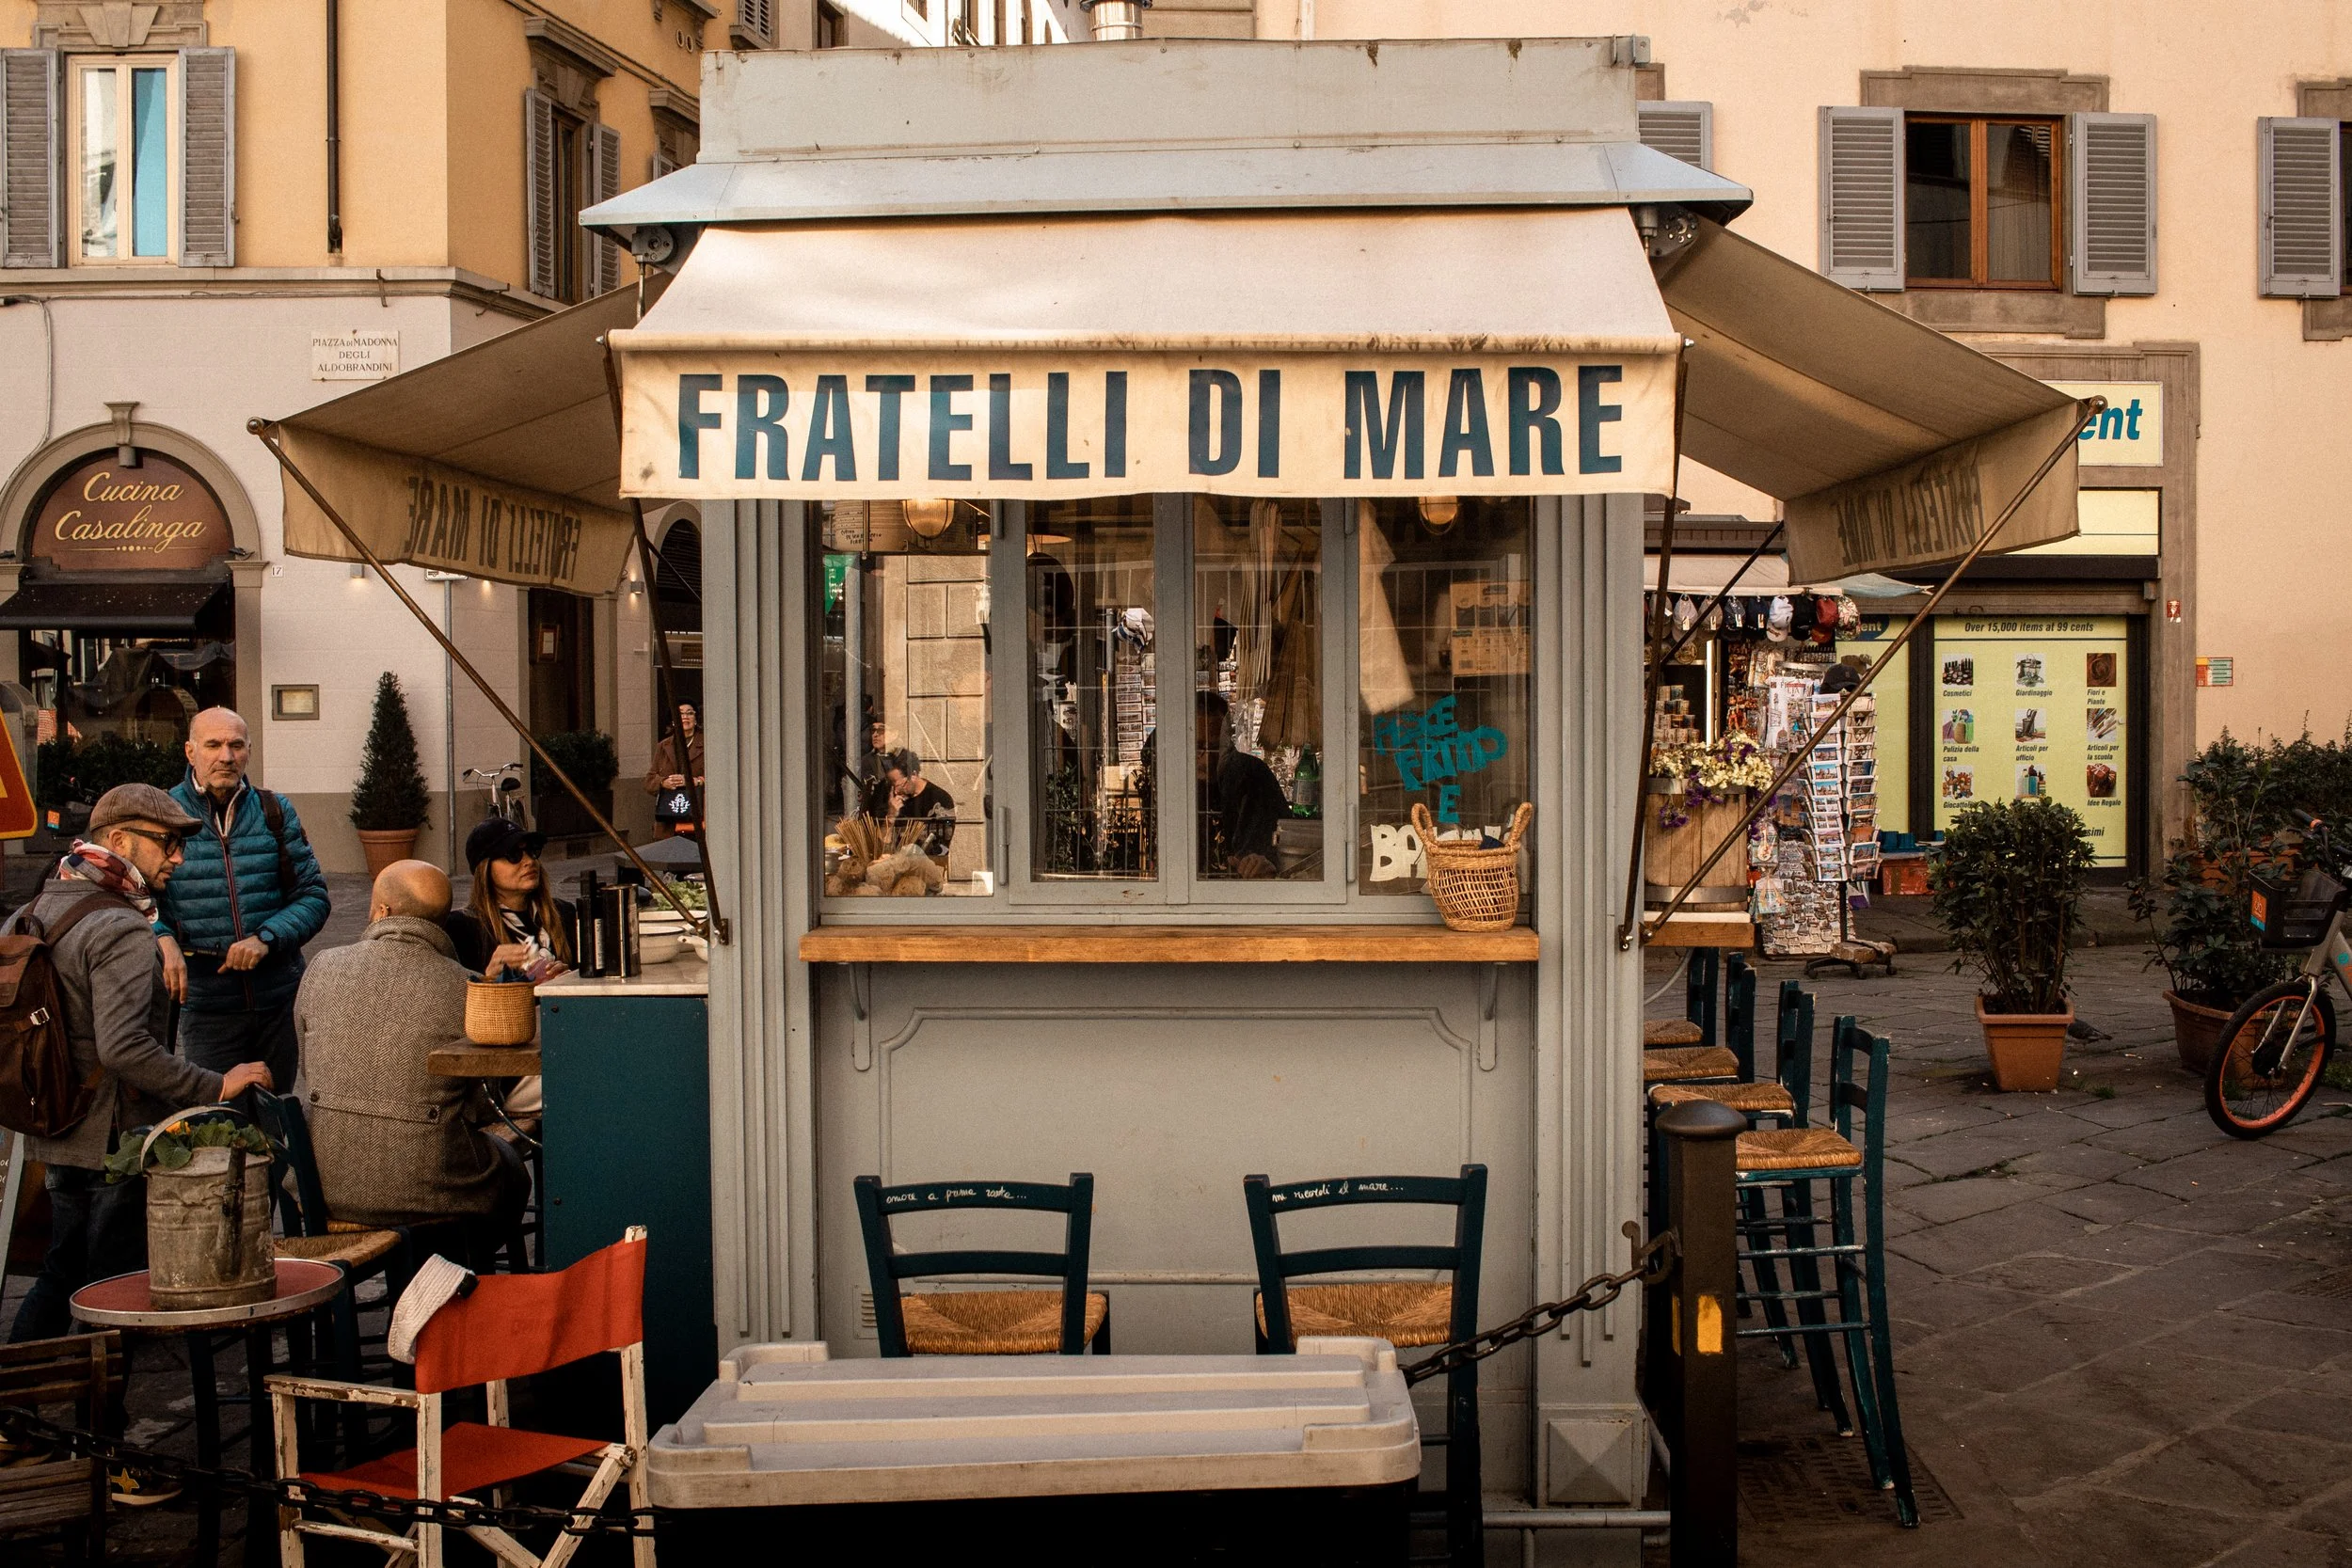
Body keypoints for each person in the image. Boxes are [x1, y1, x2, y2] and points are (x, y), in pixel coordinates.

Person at [12, 785, 274, 1346]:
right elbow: (125, 1048)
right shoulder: (123, 927)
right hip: (112, 1133)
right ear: (119, 840)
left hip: (56, 1122)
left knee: (64, 1267)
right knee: (105, 1286)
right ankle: (91, 1413)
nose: (178, 857)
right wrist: (215, 1084)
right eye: (168, 842)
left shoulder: (37, 907)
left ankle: (25, 1398)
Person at [294, 860, 531, 1249]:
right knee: (511, 1169)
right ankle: (463, 1280)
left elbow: (309, 1068)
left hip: (325, 1184)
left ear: (382, 912)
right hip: (428, 1188)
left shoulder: (321, 967)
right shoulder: (466, 985)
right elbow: (481, 1104)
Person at [154, 707, 331, 1096]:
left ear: (249, 750)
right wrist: (162, 937)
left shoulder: (274, 811)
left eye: (236, 745)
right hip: (207, 1009)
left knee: (278, 1115)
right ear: (190, 751)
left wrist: (265, 938)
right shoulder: (163, 815)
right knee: (217, 1124)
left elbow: (314, 897)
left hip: (279, 1003)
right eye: (213, 745)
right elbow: (137, 899)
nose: (226, 756)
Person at [442, 818, 576, 978]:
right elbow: (457, 997)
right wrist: (488, 979)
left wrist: (569, 980)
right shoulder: (463, 927)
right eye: (513, 855)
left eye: (532, 851)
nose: (529, 861)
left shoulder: (563, 913)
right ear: (485, 869)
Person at [1196, 691, 1287, 879]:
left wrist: (1261, 864)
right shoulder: (1174, 786)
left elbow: (1267, 859)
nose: (1209, 757)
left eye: (1216, 746)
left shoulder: (1250, 776)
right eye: (1198, 746)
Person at [882, 760, 957, 860]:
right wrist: (891, 815)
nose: (896, 791)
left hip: (928, 864)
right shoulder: (895, 802)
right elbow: (883, 844)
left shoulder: (940, 798)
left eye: (900, 785)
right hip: (897, 864)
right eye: (893, 786)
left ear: (913, 775)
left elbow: (943, 846)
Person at [644, 701, 705, 798]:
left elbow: (719, 776)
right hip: (670, 805)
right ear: (673, 721)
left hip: (699, 803)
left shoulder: (707, 743)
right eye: (680, 713)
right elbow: (649, 780)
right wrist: (663, 782)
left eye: (689, 713)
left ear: (696, 720)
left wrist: (697, 781)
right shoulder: (663, 745)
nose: (685, 716)